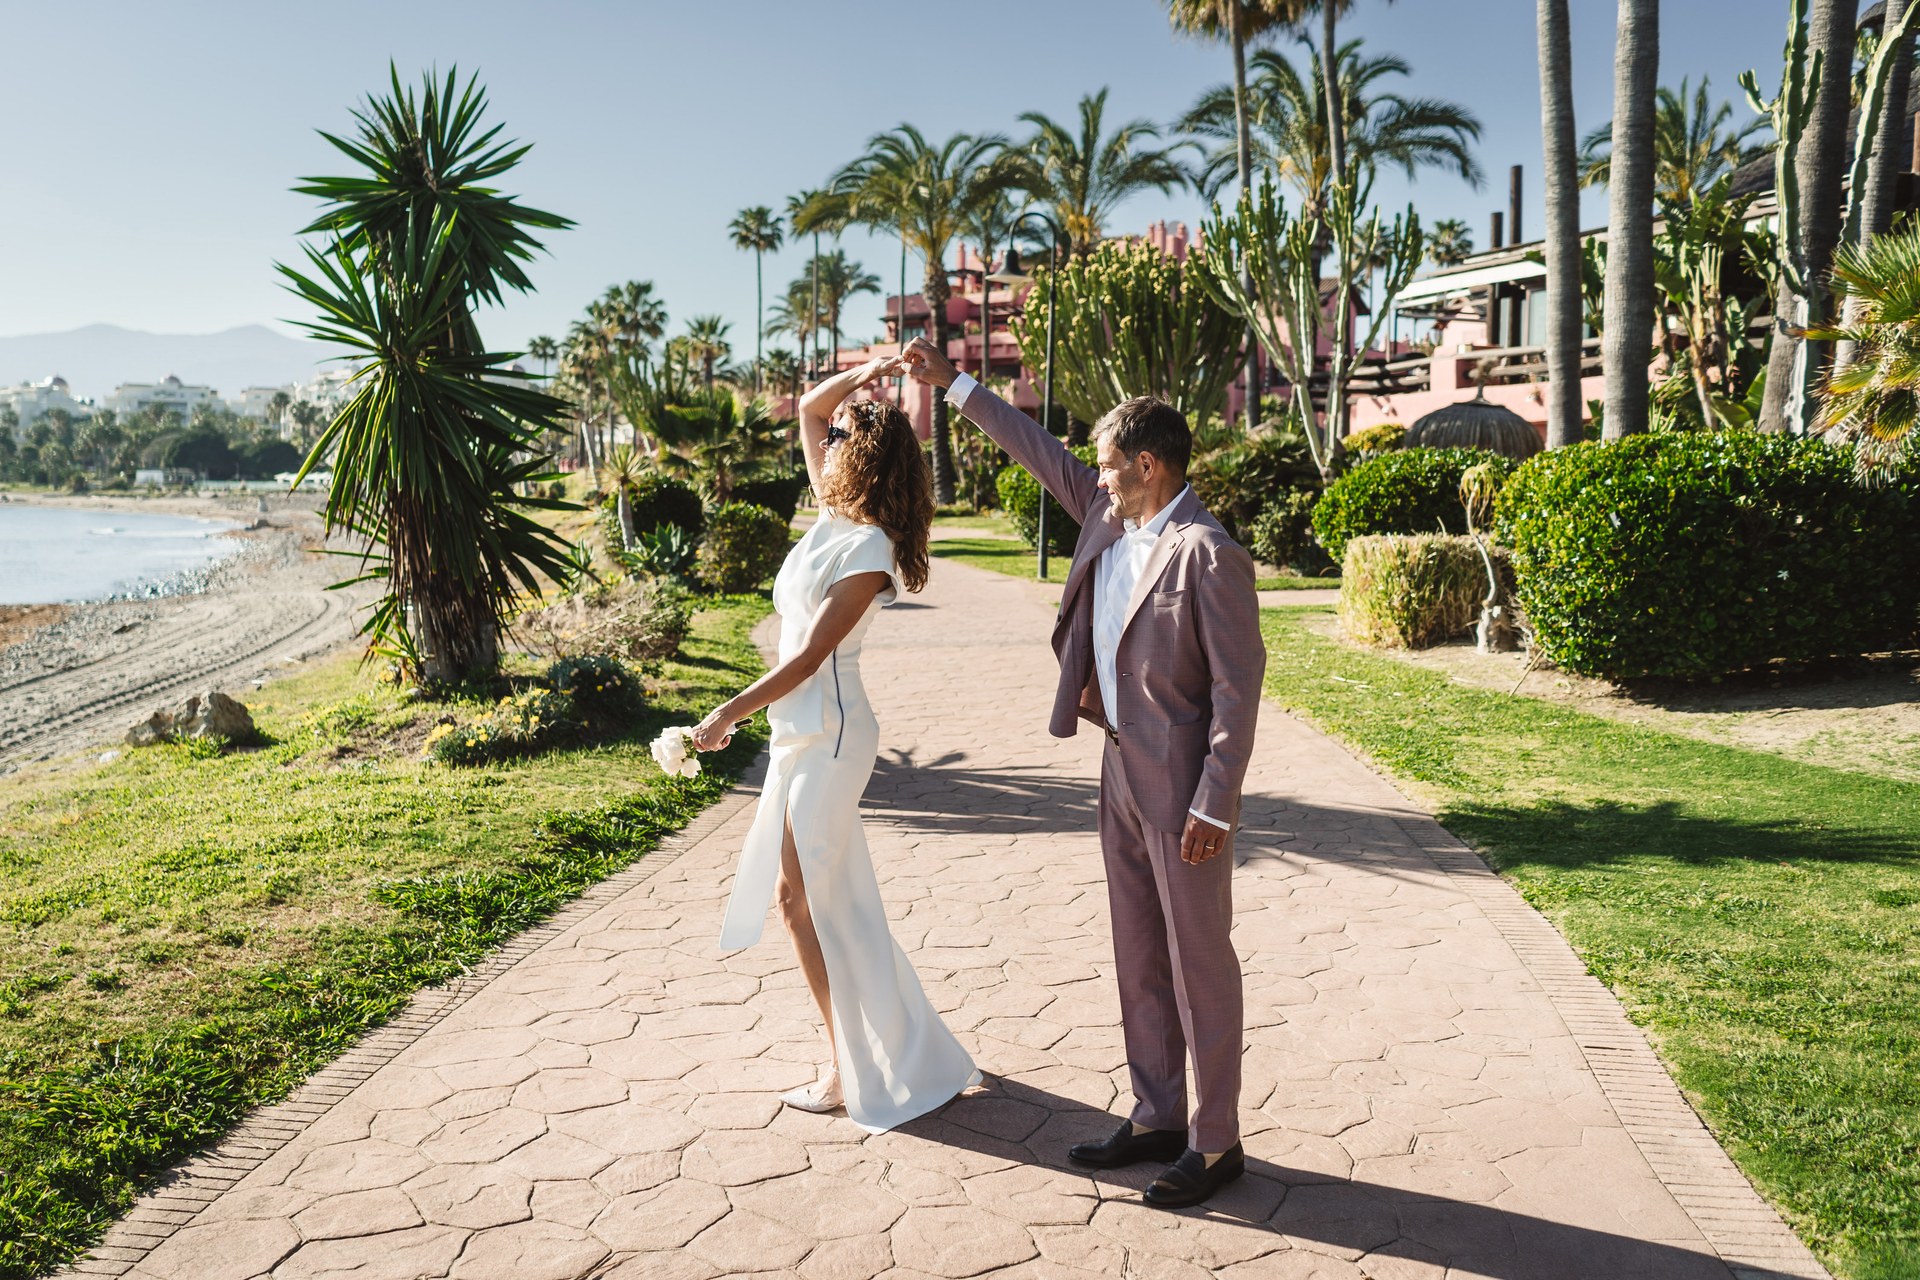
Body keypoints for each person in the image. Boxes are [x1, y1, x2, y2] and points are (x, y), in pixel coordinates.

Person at [901, 336, 1265, 1208]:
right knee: (1137, 951)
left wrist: (1216, 801)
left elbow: (1237, 691)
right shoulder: (1109, 515)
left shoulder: (1206, 551)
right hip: (1116, 769)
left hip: (1183, 786)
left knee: (1198, 959)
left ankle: (1215, 1142)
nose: (1094, 476)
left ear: (1148, 464)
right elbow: (1036, 449)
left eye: (1109, 465)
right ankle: (1157, 1116)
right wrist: (952, 386)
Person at [690, 354, 979, 1131]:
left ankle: (850, 1067)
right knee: (829, 903)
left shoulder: (869, 551)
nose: (829, 436)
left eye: (845, 434)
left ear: (865, 455)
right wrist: (875, 368)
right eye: (838, 430)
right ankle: (908, 1052)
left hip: (832, 738)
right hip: (798, 734)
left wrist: (725, 714)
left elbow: (808, 658)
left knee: (805, 901)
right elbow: (809, 411)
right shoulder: (834, 514)